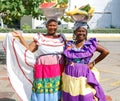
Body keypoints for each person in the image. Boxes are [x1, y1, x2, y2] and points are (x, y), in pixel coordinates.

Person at [3, 19, 66, 101]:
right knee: (41, 88)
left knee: (56, 87)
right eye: (50, 25)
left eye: (54, 25)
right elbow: (29, 49)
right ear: (46, 26)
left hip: (58, 68)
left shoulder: (61, 38)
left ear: (57, 26)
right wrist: (20, 37)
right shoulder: (40, 38)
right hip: (43, 68)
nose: (52, 27)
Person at [62, 21, 109, 101]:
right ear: (75, 32)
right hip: (69, 74)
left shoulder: (90, 44)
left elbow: (105, 51)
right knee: (71, 94)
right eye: (79, 31)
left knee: (85, 95)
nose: (81, 33)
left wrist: (93, 63)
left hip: (84, 74)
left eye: (83, 31)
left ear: (86, 33)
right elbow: (64, 57)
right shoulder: (69, 45)